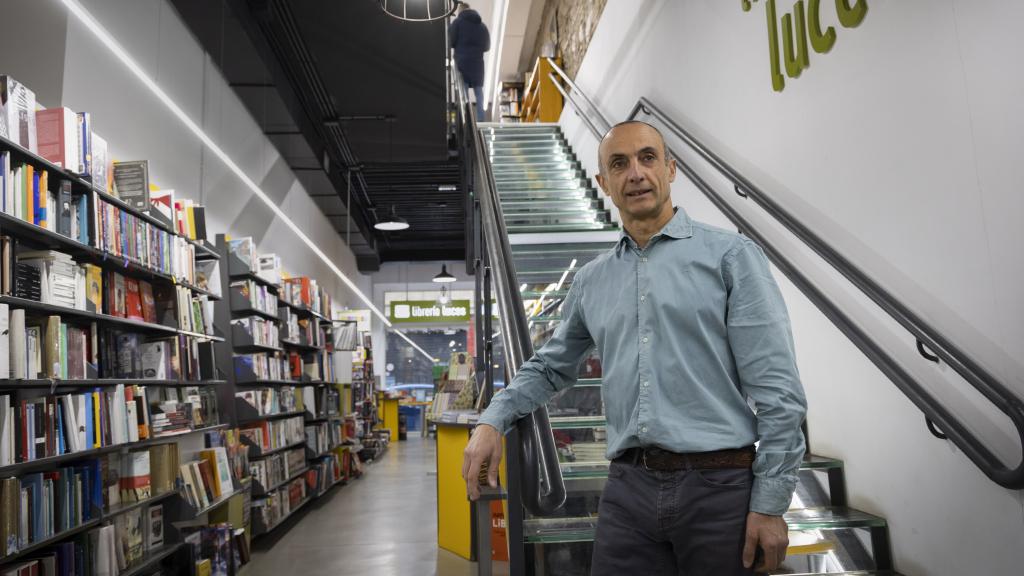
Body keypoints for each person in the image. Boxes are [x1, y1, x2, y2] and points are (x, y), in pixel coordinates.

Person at [463, 121, 807, 575]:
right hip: (629, 489)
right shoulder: (592, 280)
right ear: (603, 184)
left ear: (671, 168)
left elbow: (779, 391)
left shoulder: (731, 257)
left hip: (721, 489)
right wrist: (494, 417)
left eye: (648, 158)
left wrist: (770, 502)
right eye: (619, 164)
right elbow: (550, 368)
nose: (636, 173)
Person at [448, 2, 489, 122]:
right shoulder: (482, 26)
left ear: (460, 11)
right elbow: (487, 46)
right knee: (478, 91)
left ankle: (465, 118)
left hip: (462, 61)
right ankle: (481, 119)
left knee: (463, 92)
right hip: (477, 63)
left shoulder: (457, 23)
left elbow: (450, 41)